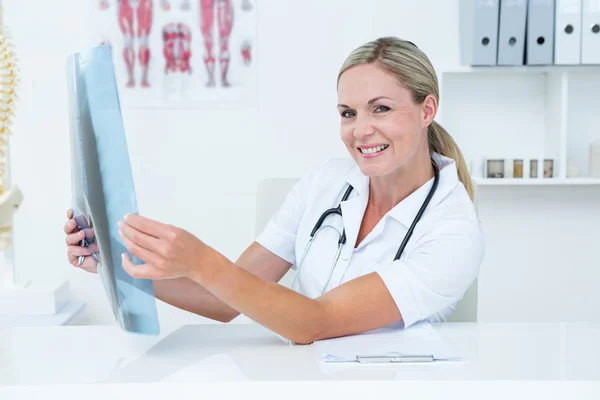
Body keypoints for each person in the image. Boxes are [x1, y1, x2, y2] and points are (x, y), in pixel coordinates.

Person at [64, 37, 485, 345]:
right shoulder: (327, 183)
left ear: (427, 109)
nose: (361, 130)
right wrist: (118, 263)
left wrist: (201, 259)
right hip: (295, 382)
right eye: (347, 113)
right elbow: (225, 301)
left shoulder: (453, 231)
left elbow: (314, 322)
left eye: (381, 109)